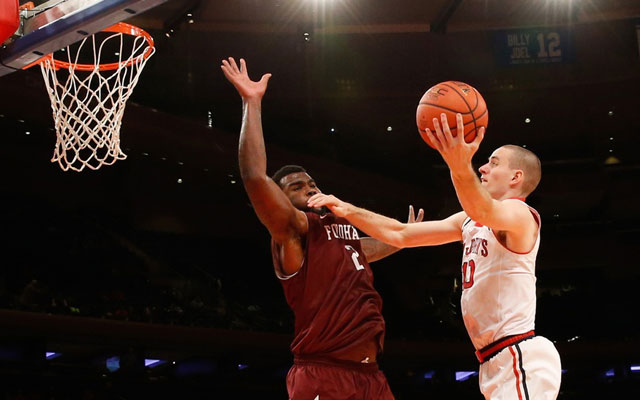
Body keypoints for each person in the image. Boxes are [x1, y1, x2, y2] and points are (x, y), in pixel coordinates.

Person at [308, 113, 562, 399]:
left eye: (494, 162)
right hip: (493, 359)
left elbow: (483, 209)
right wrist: (347, 209)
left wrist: (458, 164)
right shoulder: (468, 221)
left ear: (517, 177)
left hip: (520, 353)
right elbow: (400, 234)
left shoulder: (521, 215)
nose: (483, 168)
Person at [221, 57, 423, 400]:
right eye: (297, 187)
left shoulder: (340, 229)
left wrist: (400, 239)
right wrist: (251, 103)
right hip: (323, 373)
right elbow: (255, 177)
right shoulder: (294, 231)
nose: (310, 188)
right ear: (282, 201)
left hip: (370, 376)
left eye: (312, 183)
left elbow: (363, 250)